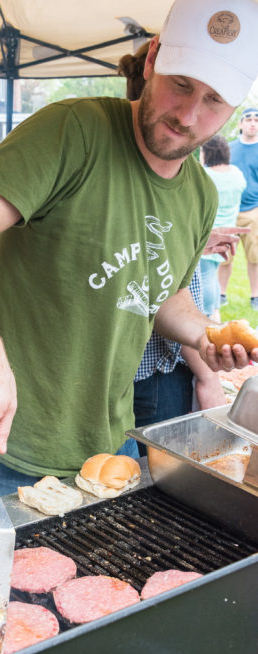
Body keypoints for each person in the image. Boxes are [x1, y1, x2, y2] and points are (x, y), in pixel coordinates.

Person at [0, 0, 258, 497]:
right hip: (9, 444)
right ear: (153, 60)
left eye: (214, 101)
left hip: (111, 447)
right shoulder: (73, 131)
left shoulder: (201, 192)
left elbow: (162, 291)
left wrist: (205, 336)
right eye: (182, 83)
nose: (188, 115)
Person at [119, 42, 227, 444]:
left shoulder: (191, 185)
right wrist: (206, 376)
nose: (188, 116)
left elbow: (171, 289)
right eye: (180, 86)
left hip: (146, 370)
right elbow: (170, 292)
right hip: (156, 372)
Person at [200, 135, 246, 320]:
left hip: (208, 233)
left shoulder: (206, 175)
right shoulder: (236, 173)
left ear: (207, 152)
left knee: (205, 275)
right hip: (228, 231)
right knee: (213, 272)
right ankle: (216, 311)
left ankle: (208, 313)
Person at [220, 108, 258, 310]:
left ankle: (255, 297)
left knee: (255, 256)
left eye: (256, 120)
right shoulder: (229, 148)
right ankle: (220, 294)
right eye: (249, 119)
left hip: (254, 210)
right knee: (225, 255)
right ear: (241, 124)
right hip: (229, 211)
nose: (253, 123)